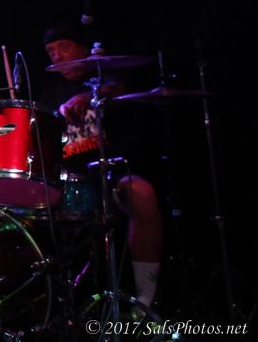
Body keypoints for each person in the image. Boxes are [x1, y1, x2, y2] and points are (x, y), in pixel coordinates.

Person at [40, 22, 163, 310]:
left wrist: (93, 96)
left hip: (111, 176)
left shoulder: (107, 79)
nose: (57, 56)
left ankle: (144, 302)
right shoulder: (49, 91)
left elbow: (119, 89)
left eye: (64, 47)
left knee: (143, 194)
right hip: (65, 181)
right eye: (51, 51)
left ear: (84, 48)